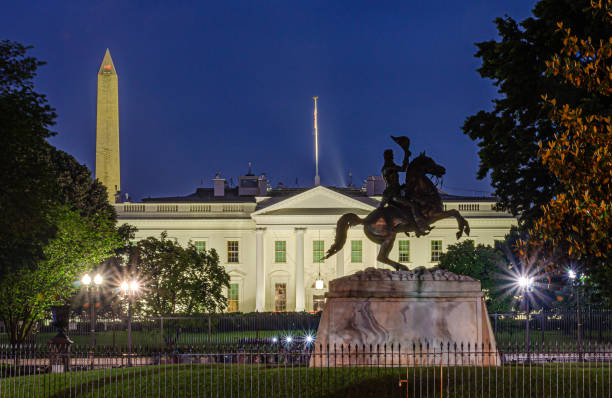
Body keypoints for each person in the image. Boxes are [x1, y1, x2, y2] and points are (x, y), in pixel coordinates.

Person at [379, 148, 429, 236]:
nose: (392, 158)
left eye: (392, 156)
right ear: (387, 157)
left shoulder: (389, 166)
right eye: (391, 156)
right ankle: (418, 228)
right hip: (393, 193)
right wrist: (406, 155)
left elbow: (404, 169)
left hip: (397, 190)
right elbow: (403, 168)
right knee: (412, 205)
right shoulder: (388, 167)